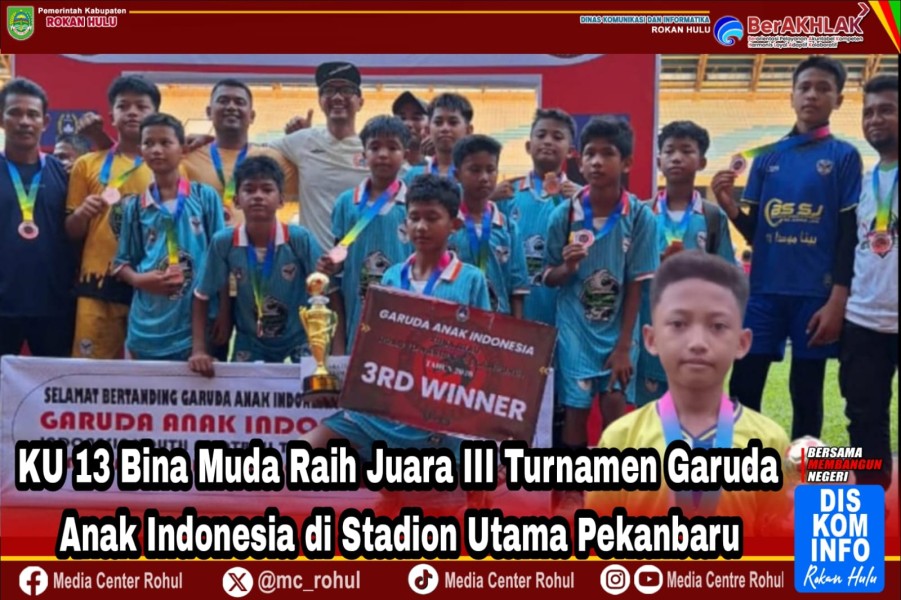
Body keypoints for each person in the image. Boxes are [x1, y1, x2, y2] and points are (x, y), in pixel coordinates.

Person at [300, 174, 490, 512]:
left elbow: (484, 350)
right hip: (388, 404)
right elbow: (380, 343)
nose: (421, 226)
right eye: (414, 217)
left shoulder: (471, 278)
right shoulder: (391, 276)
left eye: (432, 218)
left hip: (442, 410)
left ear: (454, 224)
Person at [585, 251, 791, 536]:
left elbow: (782, 546)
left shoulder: (769, 441)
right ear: (651, 339)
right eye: (679, 324)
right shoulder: (621, 440)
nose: (697, 343)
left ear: (742, 343)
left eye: (718, 326)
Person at [711, 56, 862, 439]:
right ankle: (744, 475)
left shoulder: (844, 157)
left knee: (806, 391)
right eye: (805, 87)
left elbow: (849, 235)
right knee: (744, 387)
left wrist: (837, 300)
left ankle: (803, 483)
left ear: (838, 100)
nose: (812, 95)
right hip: (763, 293)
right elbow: (757, 232)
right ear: (791, 96)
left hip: (816, 295)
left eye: (823, 88)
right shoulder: (767, 157)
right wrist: (729, 205)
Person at [543, 116, 658, 513]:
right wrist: (569, 268)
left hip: (617, 333)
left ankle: (611, 492)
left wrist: (625, 345)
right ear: (579, 160)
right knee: (575, 411)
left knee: (614, 407)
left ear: (625, 163)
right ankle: (573, 493)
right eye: (589, 153)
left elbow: (636, 286)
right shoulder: (564, 215)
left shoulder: (640, 216)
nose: (596, 161)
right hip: (574, 327)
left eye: (607, 153)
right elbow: (549, 278)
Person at [189, 156, 321, 374]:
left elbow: (328, 292)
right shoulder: (224, 242)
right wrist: (199, 350)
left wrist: (334, 349)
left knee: (309, 397)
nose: (258, 196)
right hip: (251, 341)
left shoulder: (300, 239)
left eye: (267, 190)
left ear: (281, 200)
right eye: (249, 190)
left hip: (299, 338)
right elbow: (201, 295)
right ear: (237, 200)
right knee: (243, 400)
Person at [636, 120, 735, 407]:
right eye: (669, 151)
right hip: (650, 326)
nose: (677, 157)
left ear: (702, 161)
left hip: (697, 330)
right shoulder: (641, 213)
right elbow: (627, 270)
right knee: (650, 412)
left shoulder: (713, 217)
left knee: (694, 408)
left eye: (686, 150)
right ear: (659, 161)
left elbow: (727, 275)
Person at [112, 114, 226, 361]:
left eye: (165, 143)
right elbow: (121, 263)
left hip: (195, 322)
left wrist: (224, 311)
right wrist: (142, 280)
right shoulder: (134, 206)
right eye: (148, 143)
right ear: (141, 150)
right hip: (148, 323)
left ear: (183, 149)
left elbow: (222, 258)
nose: (156, 150)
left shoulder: (205, 197)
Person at [65, 75, 161, 359]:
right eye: (124, 106)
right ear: (112, 115)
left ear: (156, 114)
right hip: (97, 284)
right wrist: (82, 213)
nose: (132, 112)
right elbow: (71, 231)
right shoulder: (87, 164)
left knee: (150, 375)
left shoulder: (171, 166)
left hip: (149, 283)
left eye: (141, 107)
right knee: (88, 373)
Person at [840, 74, 898, 490]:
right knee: (864, 420)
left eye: (887, 110)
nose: (875, 119)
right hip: (863, 320)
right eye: (869, 111)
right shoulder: (862, 184)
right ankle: (872, 511)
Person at [322, 115, 413, 353]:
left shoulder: (415, 203)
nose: (383, 154)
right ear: (363, 154)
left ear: (405, 154)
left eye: (392, 147)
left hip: (405, 311)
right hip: (356, 309)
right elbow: (339, 254)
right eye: (375, 147)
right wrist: (330, 265)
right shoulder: (346, 202)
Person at [0, 78, 75, 357]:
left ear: (44, 122)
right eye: (15, 113)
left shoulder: (64, 174)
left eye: (32, 114)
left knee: (53, 392)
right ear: (2, 119)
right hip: (2, 306)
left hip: (54, 306)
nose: (24, 121)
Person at [268, 61, 370, 250]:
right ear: (320, 101)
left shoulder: (373, 148)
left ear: (360, 102)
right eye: (329, 90)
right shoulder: (301, 141)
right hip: (315, 267)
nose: (338, 97)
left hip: (361, 265)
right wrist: (202, 141)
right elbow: (247, 153)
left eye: (346, 90)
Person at [501, 108, 581, 325]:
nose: (548, 141)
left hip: (563, 312)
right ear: (528, 146)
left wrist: (584, 203)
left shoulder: (582, 198)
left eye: (557, 137)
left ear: (571, 151)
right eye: (541, 135)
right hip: (516, 309)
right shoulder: (507, 193)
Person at [182, 79, 299, 226]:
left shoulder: (273, 159)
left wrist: (303, 139)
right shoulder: (187, 156)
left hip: (256, 247)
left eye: (239, 102)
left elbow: (313, 183)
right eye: (223, 101)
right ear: (209, 112)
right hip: (205, 246)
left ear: (252, 116)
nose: (231, 107)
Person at [449, 134, 529, 316]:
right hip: (453, 325)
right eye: (475, 170)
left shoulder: (508, 228)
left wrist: (514, 334)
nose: (484, 177)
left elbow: (517, 290)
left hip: (497, 328)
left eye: (490, 170)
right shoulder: (447, 225)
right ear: (457, 175)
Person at [404, 93, 473, 183]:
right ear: (428, 130)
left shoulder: (474, 175)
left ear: (468, 130)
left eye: (453, 122)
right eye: (438, 122)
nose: (445, 128)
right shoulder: (413, 175)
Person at [392, 91, 430, 171]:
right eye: (402, 118)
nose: (408, 124)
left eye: (416, 118)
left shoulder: (436, 166)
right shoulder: (387, 166)